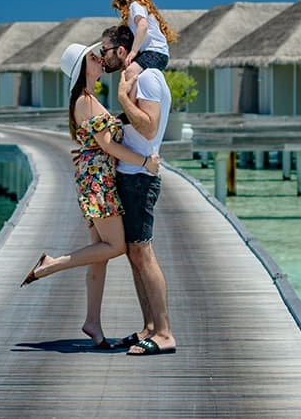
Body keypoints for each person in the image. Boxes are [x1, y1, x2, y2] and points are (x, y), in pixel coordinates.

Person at [20, 41, 161, 350]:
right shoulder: (85, 101)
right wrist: (145, 162)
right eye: (94, 57)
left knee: (100, 252)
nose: (100, 60)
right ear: (83, 67)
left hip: (95, 175)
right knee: (116, 246)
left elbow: (101, 139)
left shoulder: (90, 100)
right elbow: (108, 144)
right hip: (98, 179)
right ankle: (52, 264)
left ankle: (93, 323)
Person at [100, 24, 177, 356]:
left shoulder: (147, 78)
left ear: (121, 51)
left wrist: (120, 99)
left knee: (143, 253)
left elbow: (149, 126)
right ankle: (149, 326)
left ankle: (164, 332)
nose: (101, 58)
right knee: (134, 255)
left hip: (140, 179)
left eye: (104, 51)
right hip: (130, 174)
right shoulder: (137, 78)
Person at [111, 0, 177, 79]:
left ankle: (131, 95)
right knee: (138, 77)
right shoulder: (143, 8)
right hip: (159, 54)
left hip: (154, 52)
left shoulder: (135, 5)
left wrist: (133, 51)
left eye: (121, 5)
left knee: (130, 72)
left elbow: (143, 26)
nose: (121, 11)